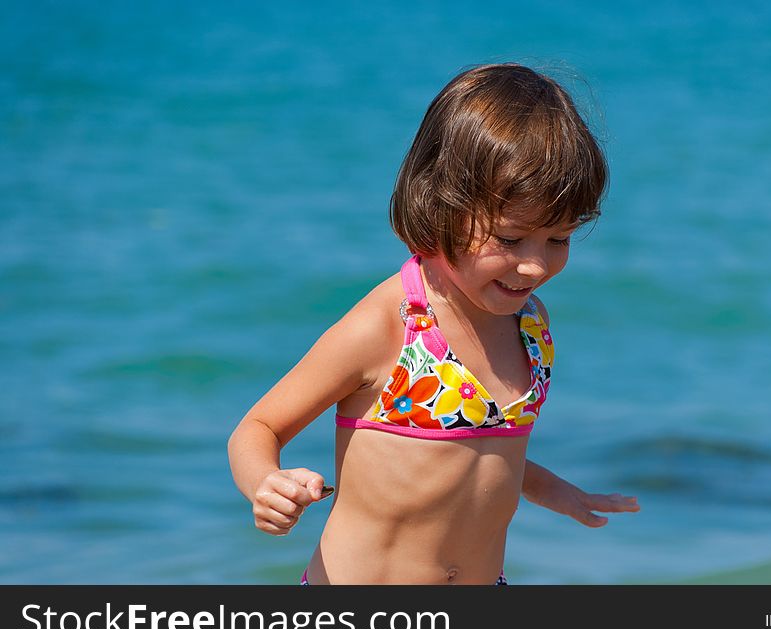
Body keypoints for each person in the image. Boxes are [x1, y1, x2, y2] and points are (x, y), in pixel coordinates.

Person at [228, 62, 640, 585]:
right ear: (444, 204)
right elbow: (256, 429)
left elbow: (484, 454)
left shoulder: (530, 324)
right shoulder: (389, 326)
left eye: (558, 239)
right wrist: (266, 483)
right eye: (511, 240)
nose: (535, 266)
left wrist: (556, 491)